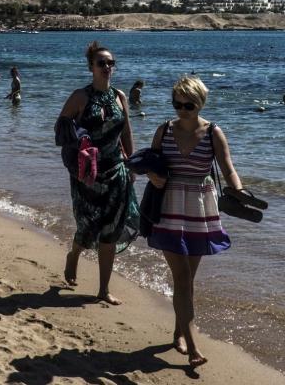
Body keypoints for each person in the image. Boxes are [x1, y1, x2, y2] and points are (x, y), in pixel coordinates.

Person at [145, 75, 241, 368]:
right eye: (177, 104)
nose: (181, 110)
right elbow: (150, 163)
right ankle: (192, 343)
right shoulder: (164, 130)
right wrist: (152, 175)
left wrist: (240, 194)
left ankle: (177, 331)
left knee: (189, 280)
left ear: (200, 103)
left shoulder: (213, 132)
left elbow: (228, 169)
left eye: (188, 104)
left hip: (201, 207)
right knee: (182, 278)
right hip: (170, 205)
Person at [55, 41, 139, 305]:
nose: (107, 67)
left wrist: (133, 163)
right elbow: (61, 128)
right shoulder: (80, 97)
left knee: (111, 231)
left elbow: (126, 132)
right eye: (101, 63)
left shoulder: (120, 96)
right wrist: (79, 144)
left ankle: (103, 289)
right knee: (89, 226)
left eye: (110, 63)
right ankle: (74, 255)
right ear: (91, 66)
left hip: (116, 171)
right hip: (86, 174)